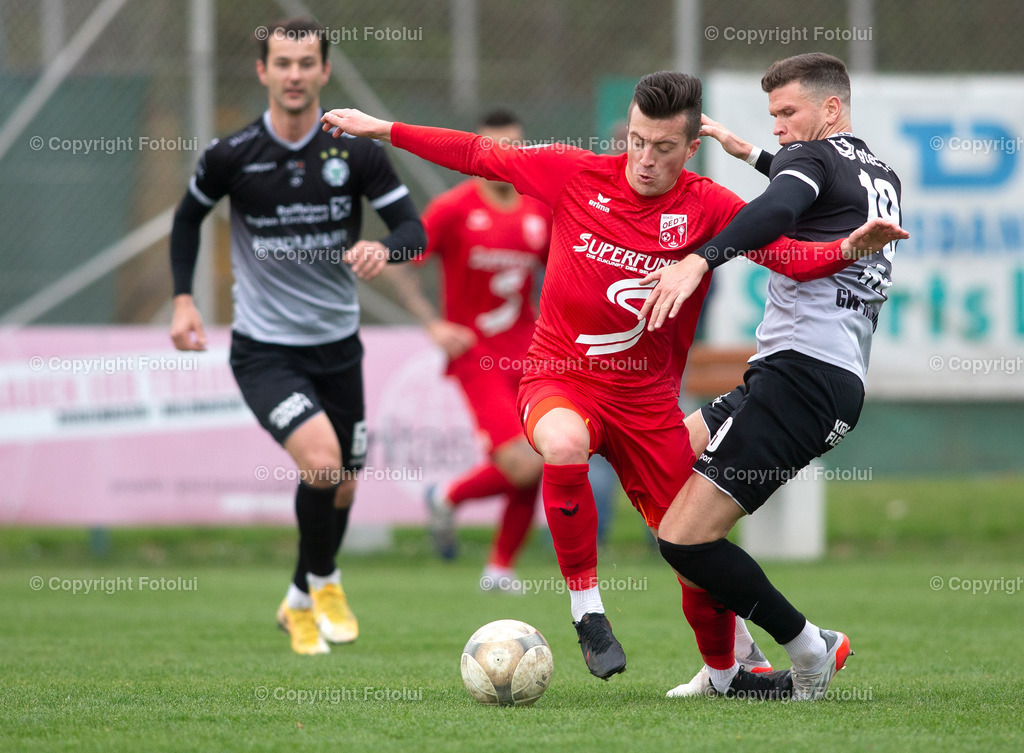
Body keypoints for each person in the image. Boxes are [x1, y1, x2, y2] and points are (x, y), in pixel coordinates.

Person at [320, 73, 905, 691]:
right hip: (561, 375)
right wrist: (385, 129)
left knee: (689, 546)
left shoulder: (708, 206)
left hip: (648, 403)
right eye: (637, 142)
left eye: (664, 148)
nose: (645, 159)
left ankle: (726, 672)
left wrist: (846, 248)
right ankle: (588, 612)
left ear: (691, 149)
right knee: (564, 444)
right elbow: (477, 153)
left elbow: (788, 255)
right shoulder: (575, 172)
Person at [641, 53, 903, 700]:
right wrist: (755, 154)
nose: (779, 126)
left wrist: (701, 260)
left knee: (684, 539)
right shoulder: (878, 171)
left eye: (788, 112)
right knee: (663, 465)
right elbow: (817, 192)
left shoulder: (811, 160)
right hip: (809, 378)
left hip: (800, 379)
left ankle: (810, 647)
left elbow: (782, 207)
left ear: (831, 109)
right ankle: (731, 660)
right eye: (772, 116)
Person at [168, 17, 425, 655]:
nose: (294, 74)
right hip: (265, 351)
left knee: (342, 483)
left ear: (324, 71)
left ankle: (297, 599)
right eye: (282, 63)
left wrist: (383, 250)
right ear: (263, 71)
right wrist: (183, 300)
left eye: (306, 63)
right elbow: (187, 219)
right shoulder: (232, 154)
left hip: (338, 348)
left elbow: (413, 233)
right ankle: (326, 582)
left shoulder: (356, 151)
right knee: (323, 463)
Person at [379, 109, 550, 591]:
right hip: (477, 357)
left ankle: (499, 569)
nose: (504, 157)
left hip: (531, 354)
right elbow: (396, 261)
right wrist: (432, 323)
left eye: (514, 146)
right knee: (523, 462)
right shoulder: (453, 208)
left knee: (544, 455)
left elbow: (562, 272)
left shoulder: (539, 210)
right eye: (494, 147)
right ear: (478, 151)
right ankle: (448, 495)